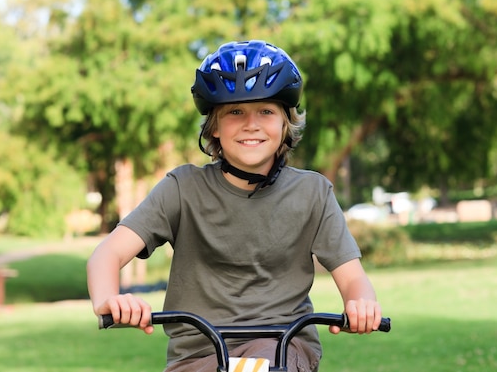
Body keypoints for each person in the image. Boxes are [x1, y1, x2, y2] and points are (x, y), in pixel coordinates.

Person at [86, 40, 382, 372]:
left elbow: (352, 276)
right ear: (214, 125)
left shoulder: (312, 192)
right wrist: (109, 299)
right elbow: (106, 255)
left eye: (267, 111)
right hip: (196, 357)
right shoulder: (182, 189)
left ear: (286, 123)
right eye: (235, 112)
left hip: (281, 346)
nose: (251, 124)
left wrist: (362, 303)